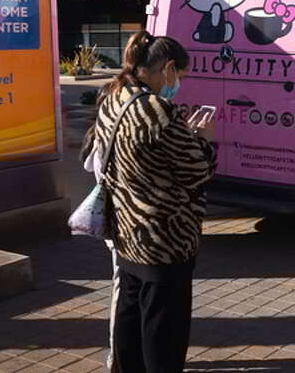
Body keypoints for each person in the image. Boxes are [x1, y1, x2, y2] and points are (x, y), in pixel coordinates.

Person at [81, 31, 217, 373]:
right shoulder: (159, 110)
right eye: (180, 77)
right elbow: (197, 171)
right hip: (163, 238)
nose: (178, 85)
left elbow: (142, 154)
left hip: (126, 231)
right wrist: (206, 141)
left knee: (129, 316)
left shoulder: (114, 95)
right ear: (168, 68)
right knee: (163, 330)